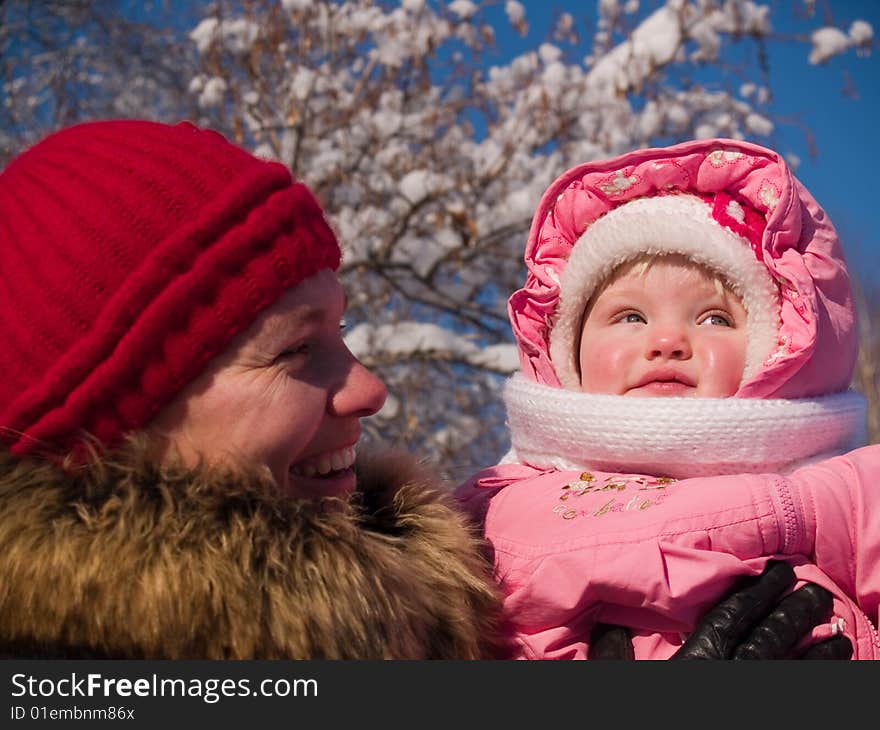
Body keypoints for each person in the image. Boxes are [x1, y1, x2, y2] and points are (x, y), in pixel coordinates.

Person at [0, 121, 846, 660]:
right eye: (297, 350)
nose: (369, 388)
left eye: (345, 332)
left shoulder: (443, 612)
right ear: (113, 428)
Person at [455, 138, 880, 659]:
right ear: (567, 348)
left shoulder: (831, 492)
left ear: (776, 350)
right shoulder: (493, 505)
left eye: (715, 318)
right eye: (630, 316)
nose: (667, 341)